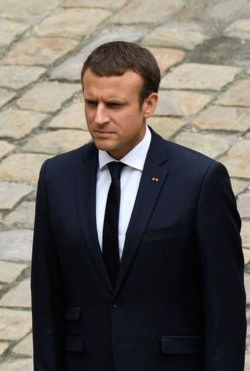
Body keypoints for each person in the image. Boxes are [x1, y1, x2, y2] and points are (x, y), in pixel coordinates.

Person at [31, 41, 246, 371]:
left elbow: (225, 310)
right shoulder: (57, 177)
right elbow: (46, 300)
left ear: (149, 104)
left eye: (114, 105)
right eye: (91, 102)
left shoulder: (199, 181)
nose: (99, 117)